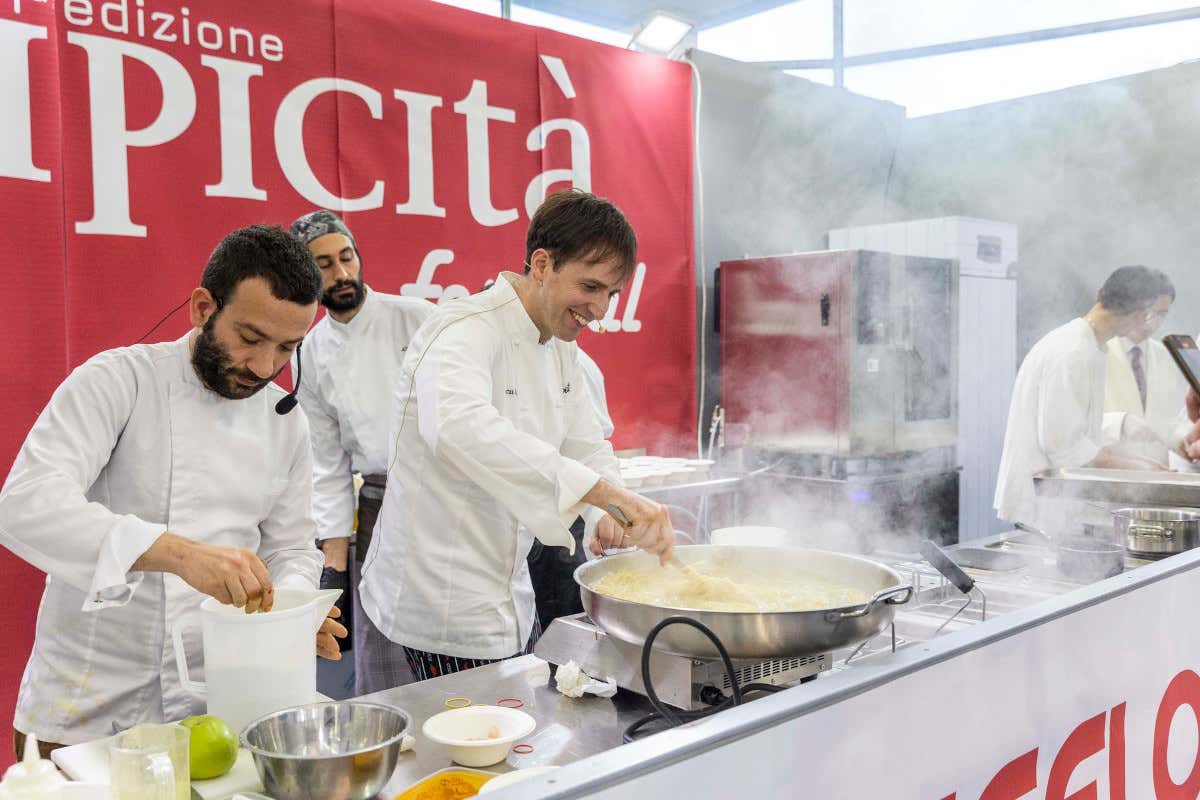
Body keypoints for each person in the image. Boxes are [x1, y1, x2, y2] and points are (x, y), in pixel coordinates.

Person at [0, 225, 342, 754]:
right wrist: (178, 555)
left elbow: (291, 546)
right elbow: (25, 503)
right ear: (203, 307)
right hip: (88, 709)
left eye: (287, 347)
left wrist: (290, 612)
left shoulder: (284, 423)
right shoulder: (120, 381)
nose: (264, 366)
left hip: (219, 708)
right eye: (250, 339)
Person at [359, 190, 674, 679]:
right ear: (542, 263)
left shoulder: (560, 346)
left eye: (610, 294)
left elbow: (586, 443)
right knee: (471, 742)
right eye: (589, 287)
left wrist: (611, 511)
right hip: (442, 597)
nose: (600, 309)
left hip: (508, 590)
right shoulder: (463, 327)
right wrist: (597, 492)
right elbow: (458, 427)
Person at [289, 210, 434, 694]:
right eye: (325, 265)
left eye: (347, 257)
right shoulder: (309, 352)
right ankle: (393, 729)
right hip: (376, 502)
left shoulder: (417, 318)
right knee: (380, 629)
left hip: (442, 494)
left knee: (449, 618)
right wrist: (332, 553)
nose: (343, 274)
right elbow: (326, 462)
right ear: (305, 276)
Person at [995, 265, 1171, 533]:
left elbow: (1072, 422)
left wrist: (1121, 425)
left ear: (1101, 293)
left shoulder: (1090, 345)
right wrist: (1136, 469)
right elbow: (1063, 446)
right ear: (1139, 315)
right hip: (1042, 506)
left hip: (1059, 503)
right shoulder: (1073, 352)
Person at [1102, 270, 1191, 465]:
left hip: (1155, 478)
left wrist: (1183, 440)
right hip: (1109, 473)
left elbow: (1165, 420)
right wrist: (1121, 423)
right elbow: (1076, 425)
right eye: (1147, 310)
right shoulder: (1099, 352)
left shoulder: (1165, 355)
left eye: (1160, 314)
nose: (1150, 320)